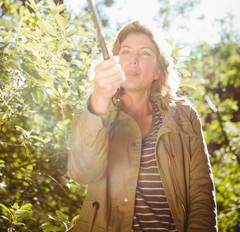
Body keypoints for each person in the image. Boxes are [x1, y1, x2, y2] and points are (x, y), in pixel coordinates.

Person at [68, 20, 218, 232]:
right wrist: (100, 97)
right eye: (126, 52)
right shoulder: (95, 112)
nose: (134, 60)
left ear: (157, 71)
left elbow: (201, 194)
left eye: (145, 53)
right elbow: (82, 173)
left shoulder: (184, 116)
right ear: (115, 63)